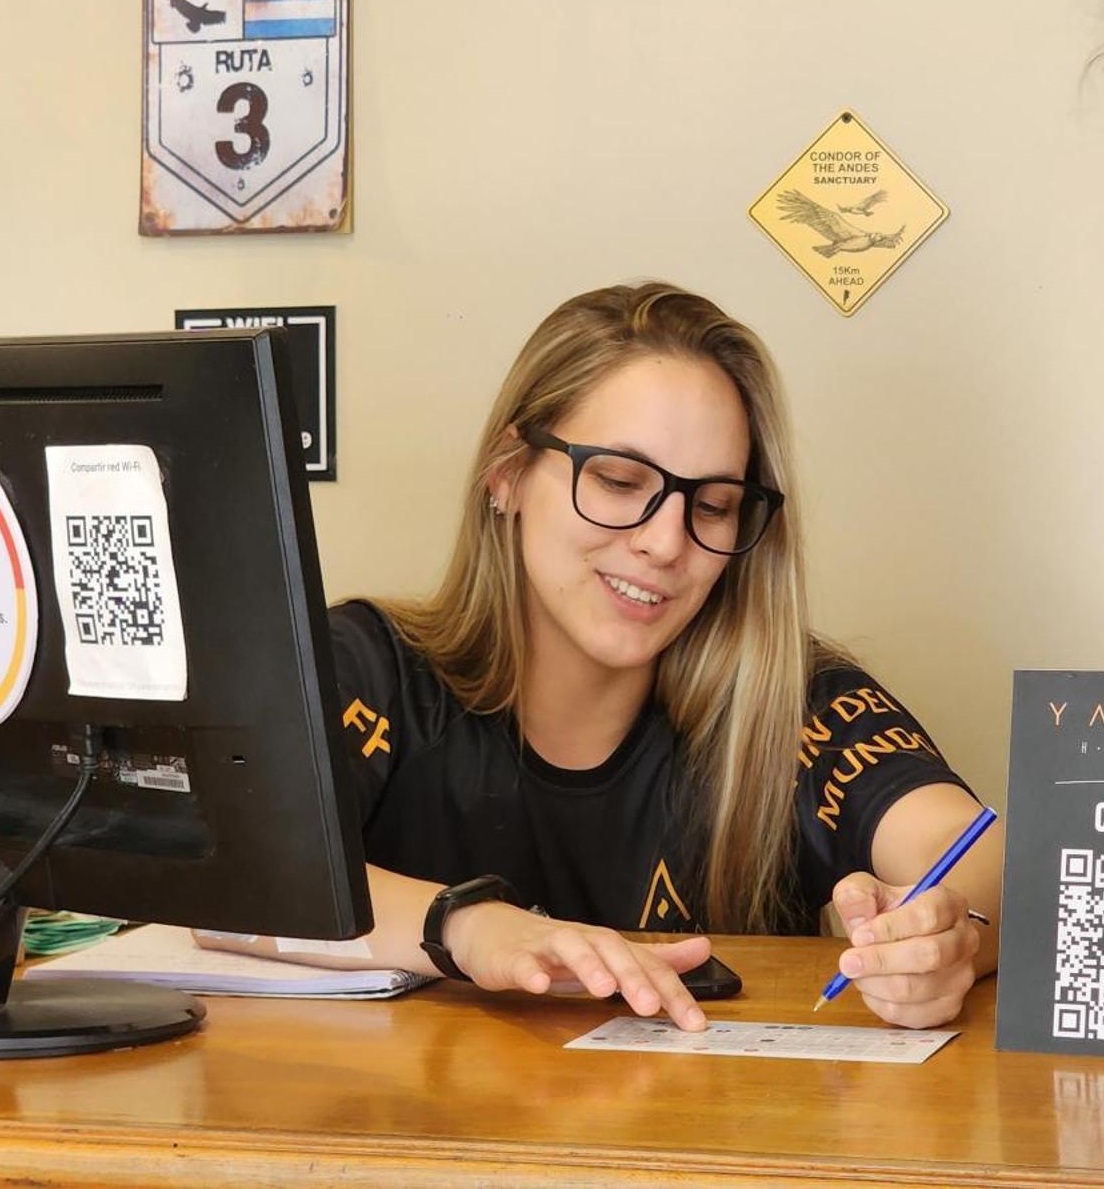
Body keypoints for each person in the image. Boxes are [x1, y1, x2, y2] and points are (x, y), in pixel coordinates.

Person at [318, 281, 1003, 1031]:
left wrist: (954, 936)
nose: (666, 542)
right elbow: (230, 888)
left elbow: (974, 849)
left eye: (711, 505)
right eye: (618, 481)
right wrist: (469, 926)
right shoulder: (367, 667)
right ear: (507, 473)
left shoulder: (791, 702)